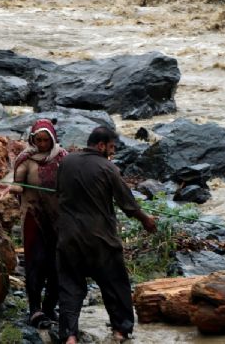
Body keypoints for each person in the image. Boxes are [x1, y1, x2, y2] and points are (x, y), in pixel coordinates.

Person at [56, 126, 157, 344]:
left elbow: (59, 194)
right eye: (111, 147)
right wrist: (146, 220)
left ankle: (70, 336)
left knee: (70, 288)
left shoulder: (66, 162)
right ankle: (120, 332)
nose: (111, 153)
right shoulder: (108, 168)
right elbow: (128, 205)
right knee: (115, 284)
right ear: (101, 145)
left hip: (68, 238)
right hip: (100, 240)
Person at [11, 118, 67, 329]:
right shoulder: (26, 158)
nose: (42, 144)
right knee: (36, 262)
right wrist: (16, 187)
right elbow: (17, 182)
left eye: (46, 140)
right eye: (39, 140)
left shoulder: (62, 158)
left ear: (52, 140)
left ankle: (49, 306)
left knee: (56, 264)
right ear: (33, 139)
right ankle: (35, 309)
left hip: (57, 219)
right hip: (34, 216)